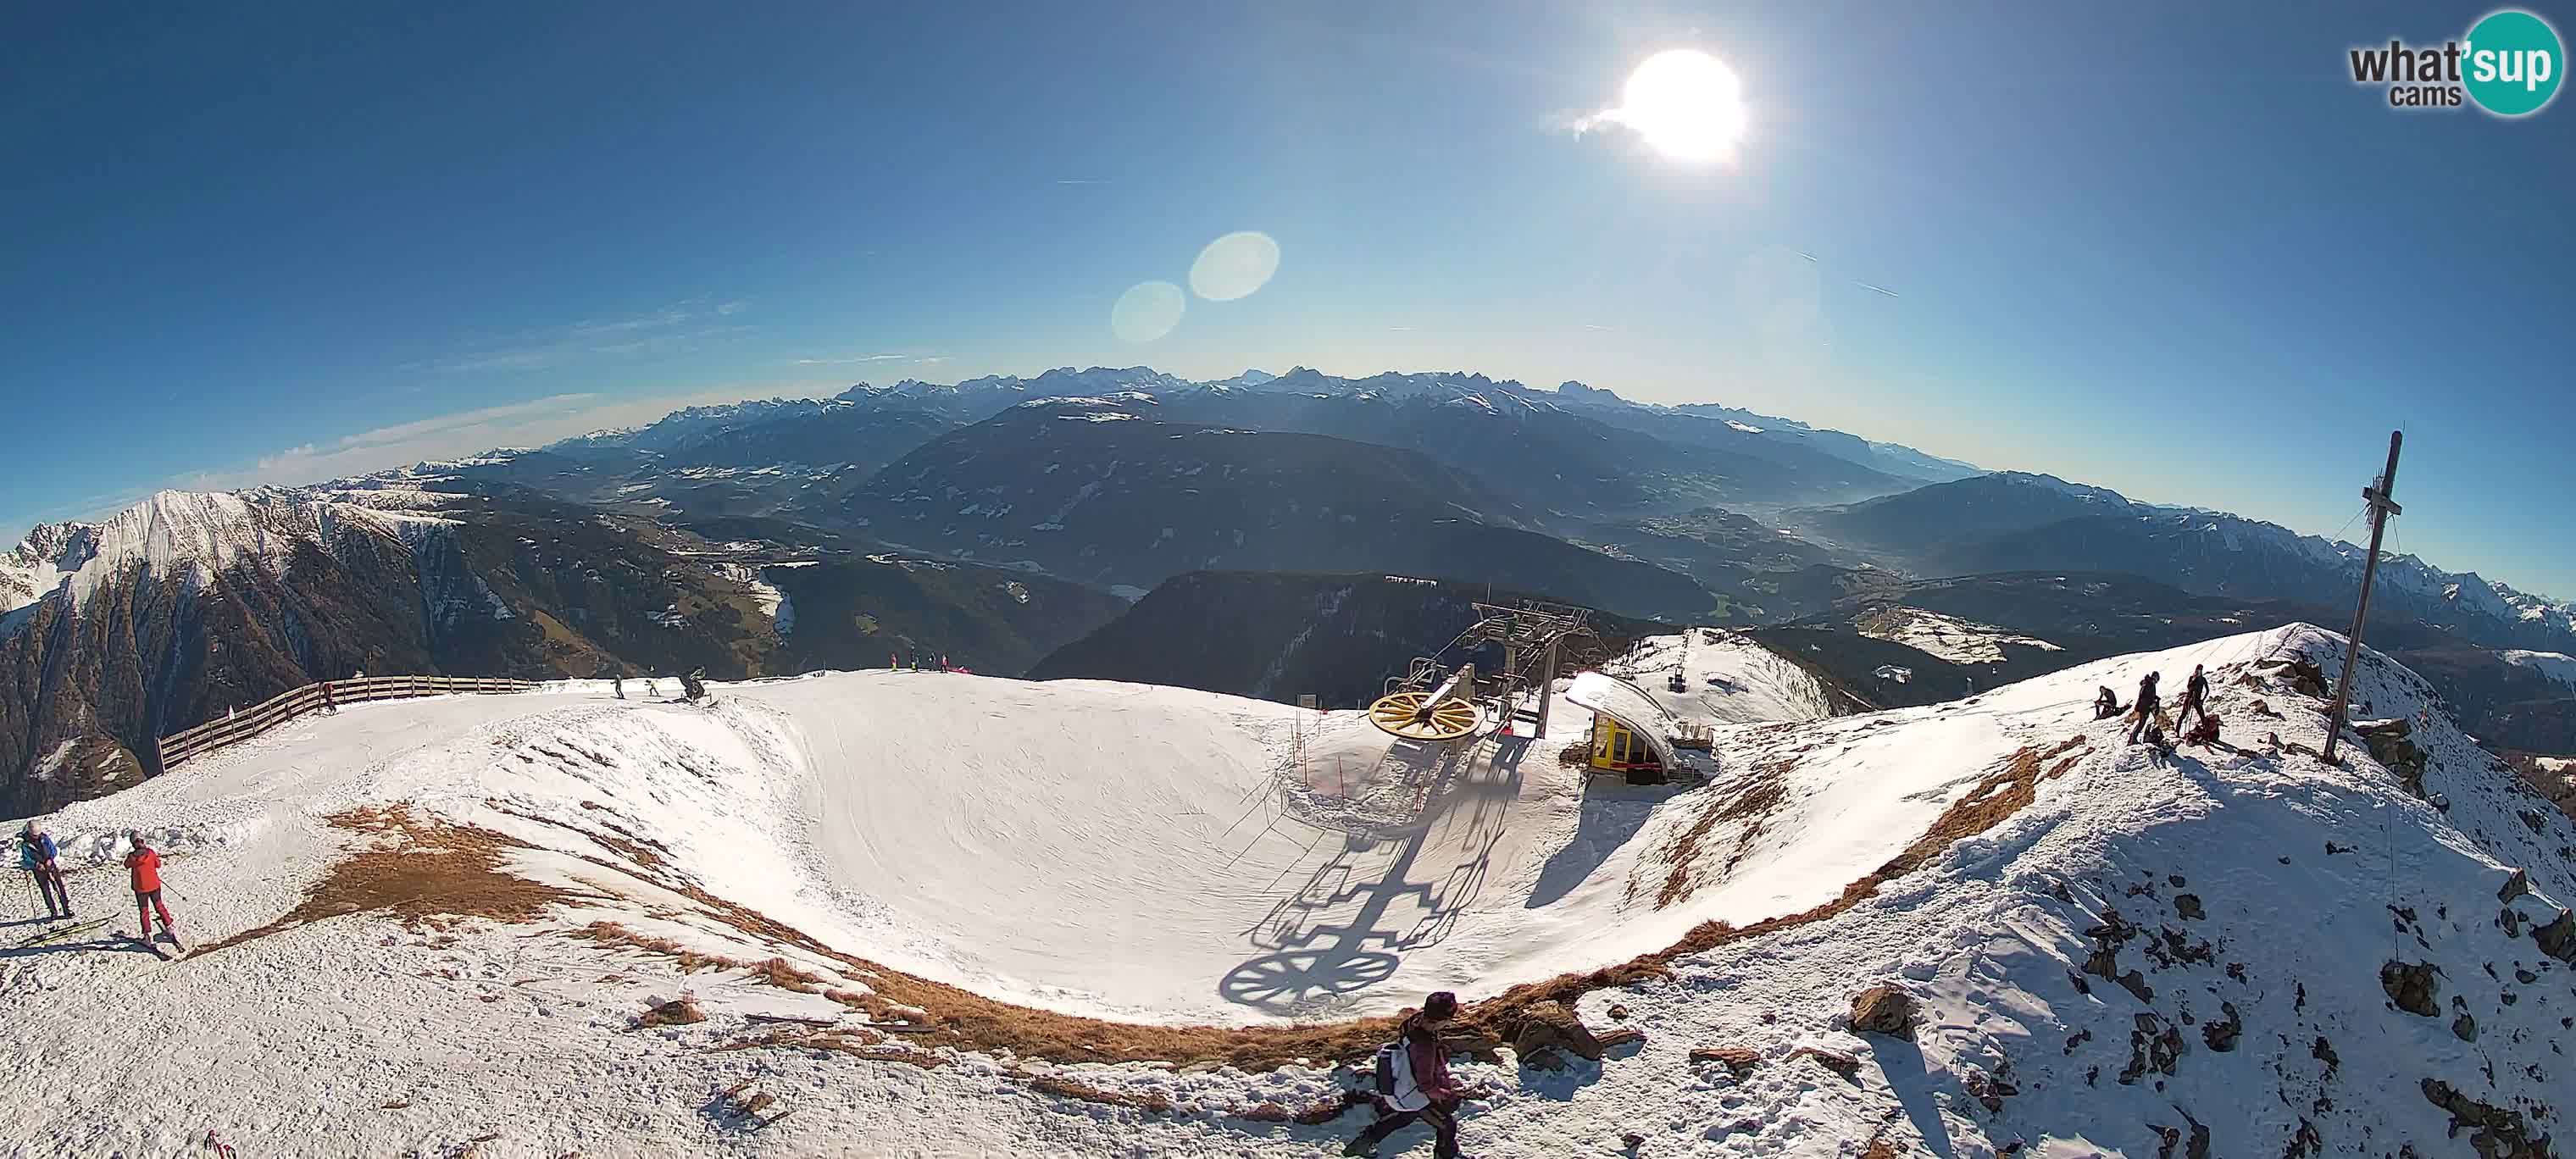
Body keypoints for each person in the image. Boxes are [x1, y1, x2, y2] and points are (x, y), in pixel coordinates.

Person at [1346, 991, 1468, 1159]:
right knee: (1447, 1125)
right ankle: (1446, 1156)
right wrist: (1446, 1094)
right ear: (1444, 1019)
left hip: (1403, 1083)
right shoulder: (1425, 1045)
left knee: (1406, 1115)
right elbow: (1425, 1085)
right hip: (1416, 1090)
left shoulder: (1414, 1021)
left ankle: (1363, 1143)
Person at [125, 832, 175, 943]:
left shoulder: (132, 857)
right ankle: (169, 926)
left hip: (140, 889)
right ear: (143, 841)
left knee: (144, 911)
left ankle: (147, 935)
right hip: (154, 885)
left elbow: (126, 865)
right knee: (159, 906)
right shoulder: (151, 853)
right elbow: (158, 864)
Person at [19, 820, 73, 919]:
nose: (36, 836)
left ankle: (66, 909)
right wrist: (36, 864)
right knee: (46, 891)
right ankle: (53, 912)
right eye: (34, 835)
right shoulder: (25, 844)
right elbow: (26, 859)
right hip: (39, 870)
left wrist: (50, 859)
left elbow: (53, 849)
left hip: (51, 867)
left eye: (37, 834)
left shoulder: (44, 838)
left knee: (59, 888)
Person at [2174, 664, 2212, 733]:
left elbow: (2207, 690)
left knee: (2202, 716)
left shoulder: (2203, 679)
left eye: (2200, 670)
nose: (2199, 671)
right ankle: (2177, 731)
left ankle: (2206, 732)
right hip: (2189, 699)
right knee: (2183, 715)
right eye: (2198, 670)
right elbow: (2189, 687)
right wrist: (2194, 679)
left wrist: (2203, 700)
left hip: (2197, 700)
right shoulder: (2192, 678)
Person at [2127, 672, 2162, 745]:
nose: (2157, 681)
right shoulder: (2148, 684)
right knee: (2141, 724)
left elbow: (2148, 695)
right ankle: (2133, 740)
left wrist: (2155, 698)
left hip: (2144, 707)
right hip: (2143, 707)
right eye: (2157, 679)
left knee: (2141, 723)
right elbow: (2143, 696)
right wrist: (2149, 704)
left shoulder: (2150, 684)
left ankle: (2132, 739)